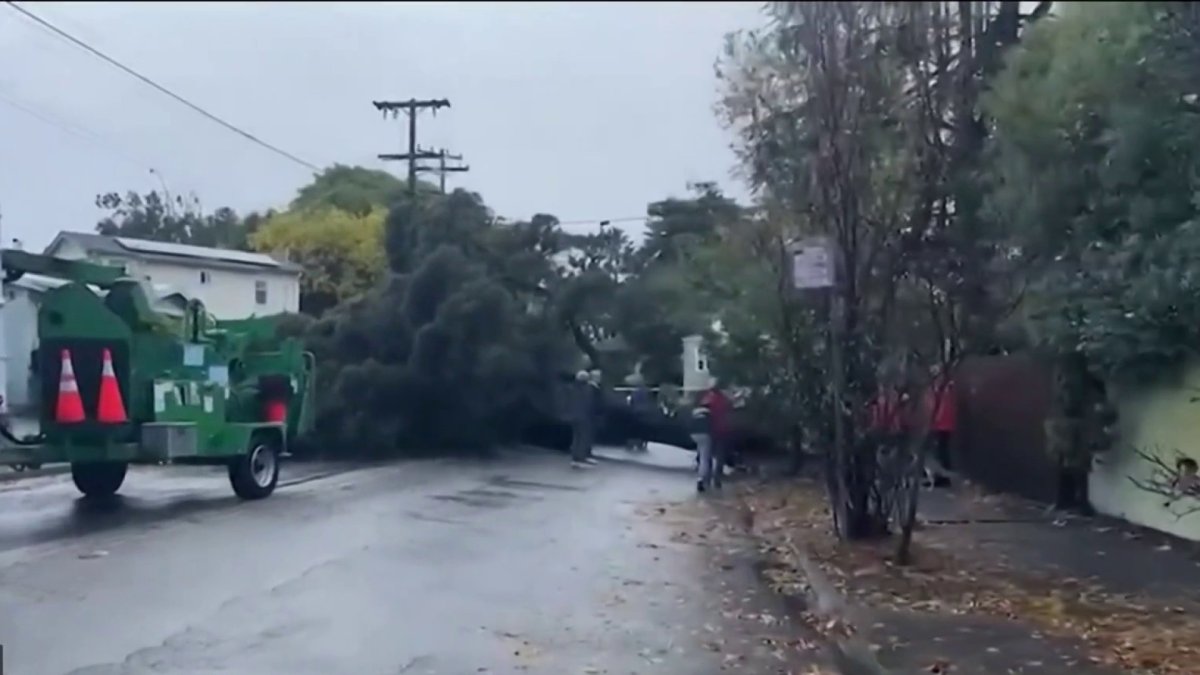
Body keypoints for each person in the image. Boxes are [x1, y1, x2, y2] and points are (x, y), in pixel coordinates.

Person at [923, 367, 957, 487]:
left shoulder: (945, 388)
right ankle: (937, 477)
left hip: (942, 424)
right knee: (936, 452)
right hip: (939, 424)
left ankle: (942, 477)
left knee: (939, 453)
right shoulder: (939, 388)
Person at [697, 381, 732, 491]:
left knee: (706, 456)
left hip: (707, 430)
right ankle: (717, 479)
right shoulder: (722, 400)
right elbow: (727, 410)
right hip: (720, 430)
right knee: (719, 456)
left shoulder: (707, 398)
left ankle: (706, 478)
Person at [569, 371, 598, 469]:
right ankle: (581, 458)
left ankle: (575, 458)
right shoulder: (588, 389)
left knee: (576, 437)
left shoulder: (573, 388)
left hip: (574, 416)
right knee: (583, 438)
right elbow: (590, 404)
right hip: (585, 417)